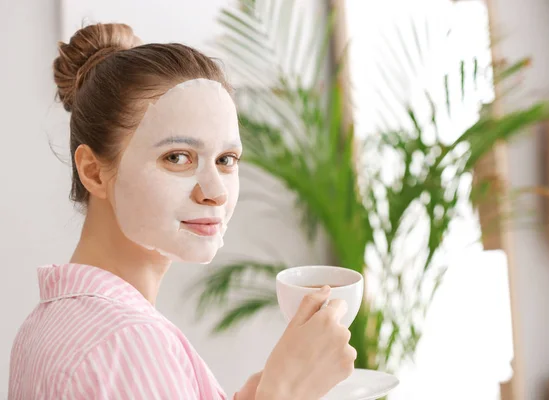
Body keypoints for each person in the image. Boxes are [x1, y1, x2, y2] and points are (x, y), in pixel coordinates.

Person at [8, 22, 356, 400]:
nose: (215, 192)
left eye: (226, 159)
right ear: (93, 172)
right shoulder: (128, 343)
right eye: (177, 157)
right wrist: (287, 391)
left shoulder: (42, 325)